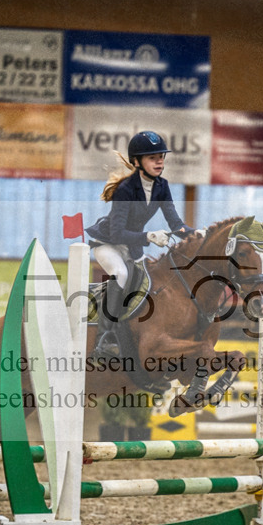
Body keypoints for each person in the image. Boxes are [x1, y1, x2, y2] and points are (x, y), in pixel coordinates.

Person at [85, 130, 193, 356]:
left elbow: (176, 223)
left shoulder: (162, 186)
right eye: (153, 157)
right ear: (137, 161)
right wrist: (147, 237)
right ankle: (105, 338)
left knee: (149, 279)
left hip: (131, 245)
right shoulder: (125, 190)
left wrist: (197, 234)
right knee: (121, 274)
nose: (159, 161)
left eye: (161, 156)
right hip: (107, 243)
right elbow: (116, 234)